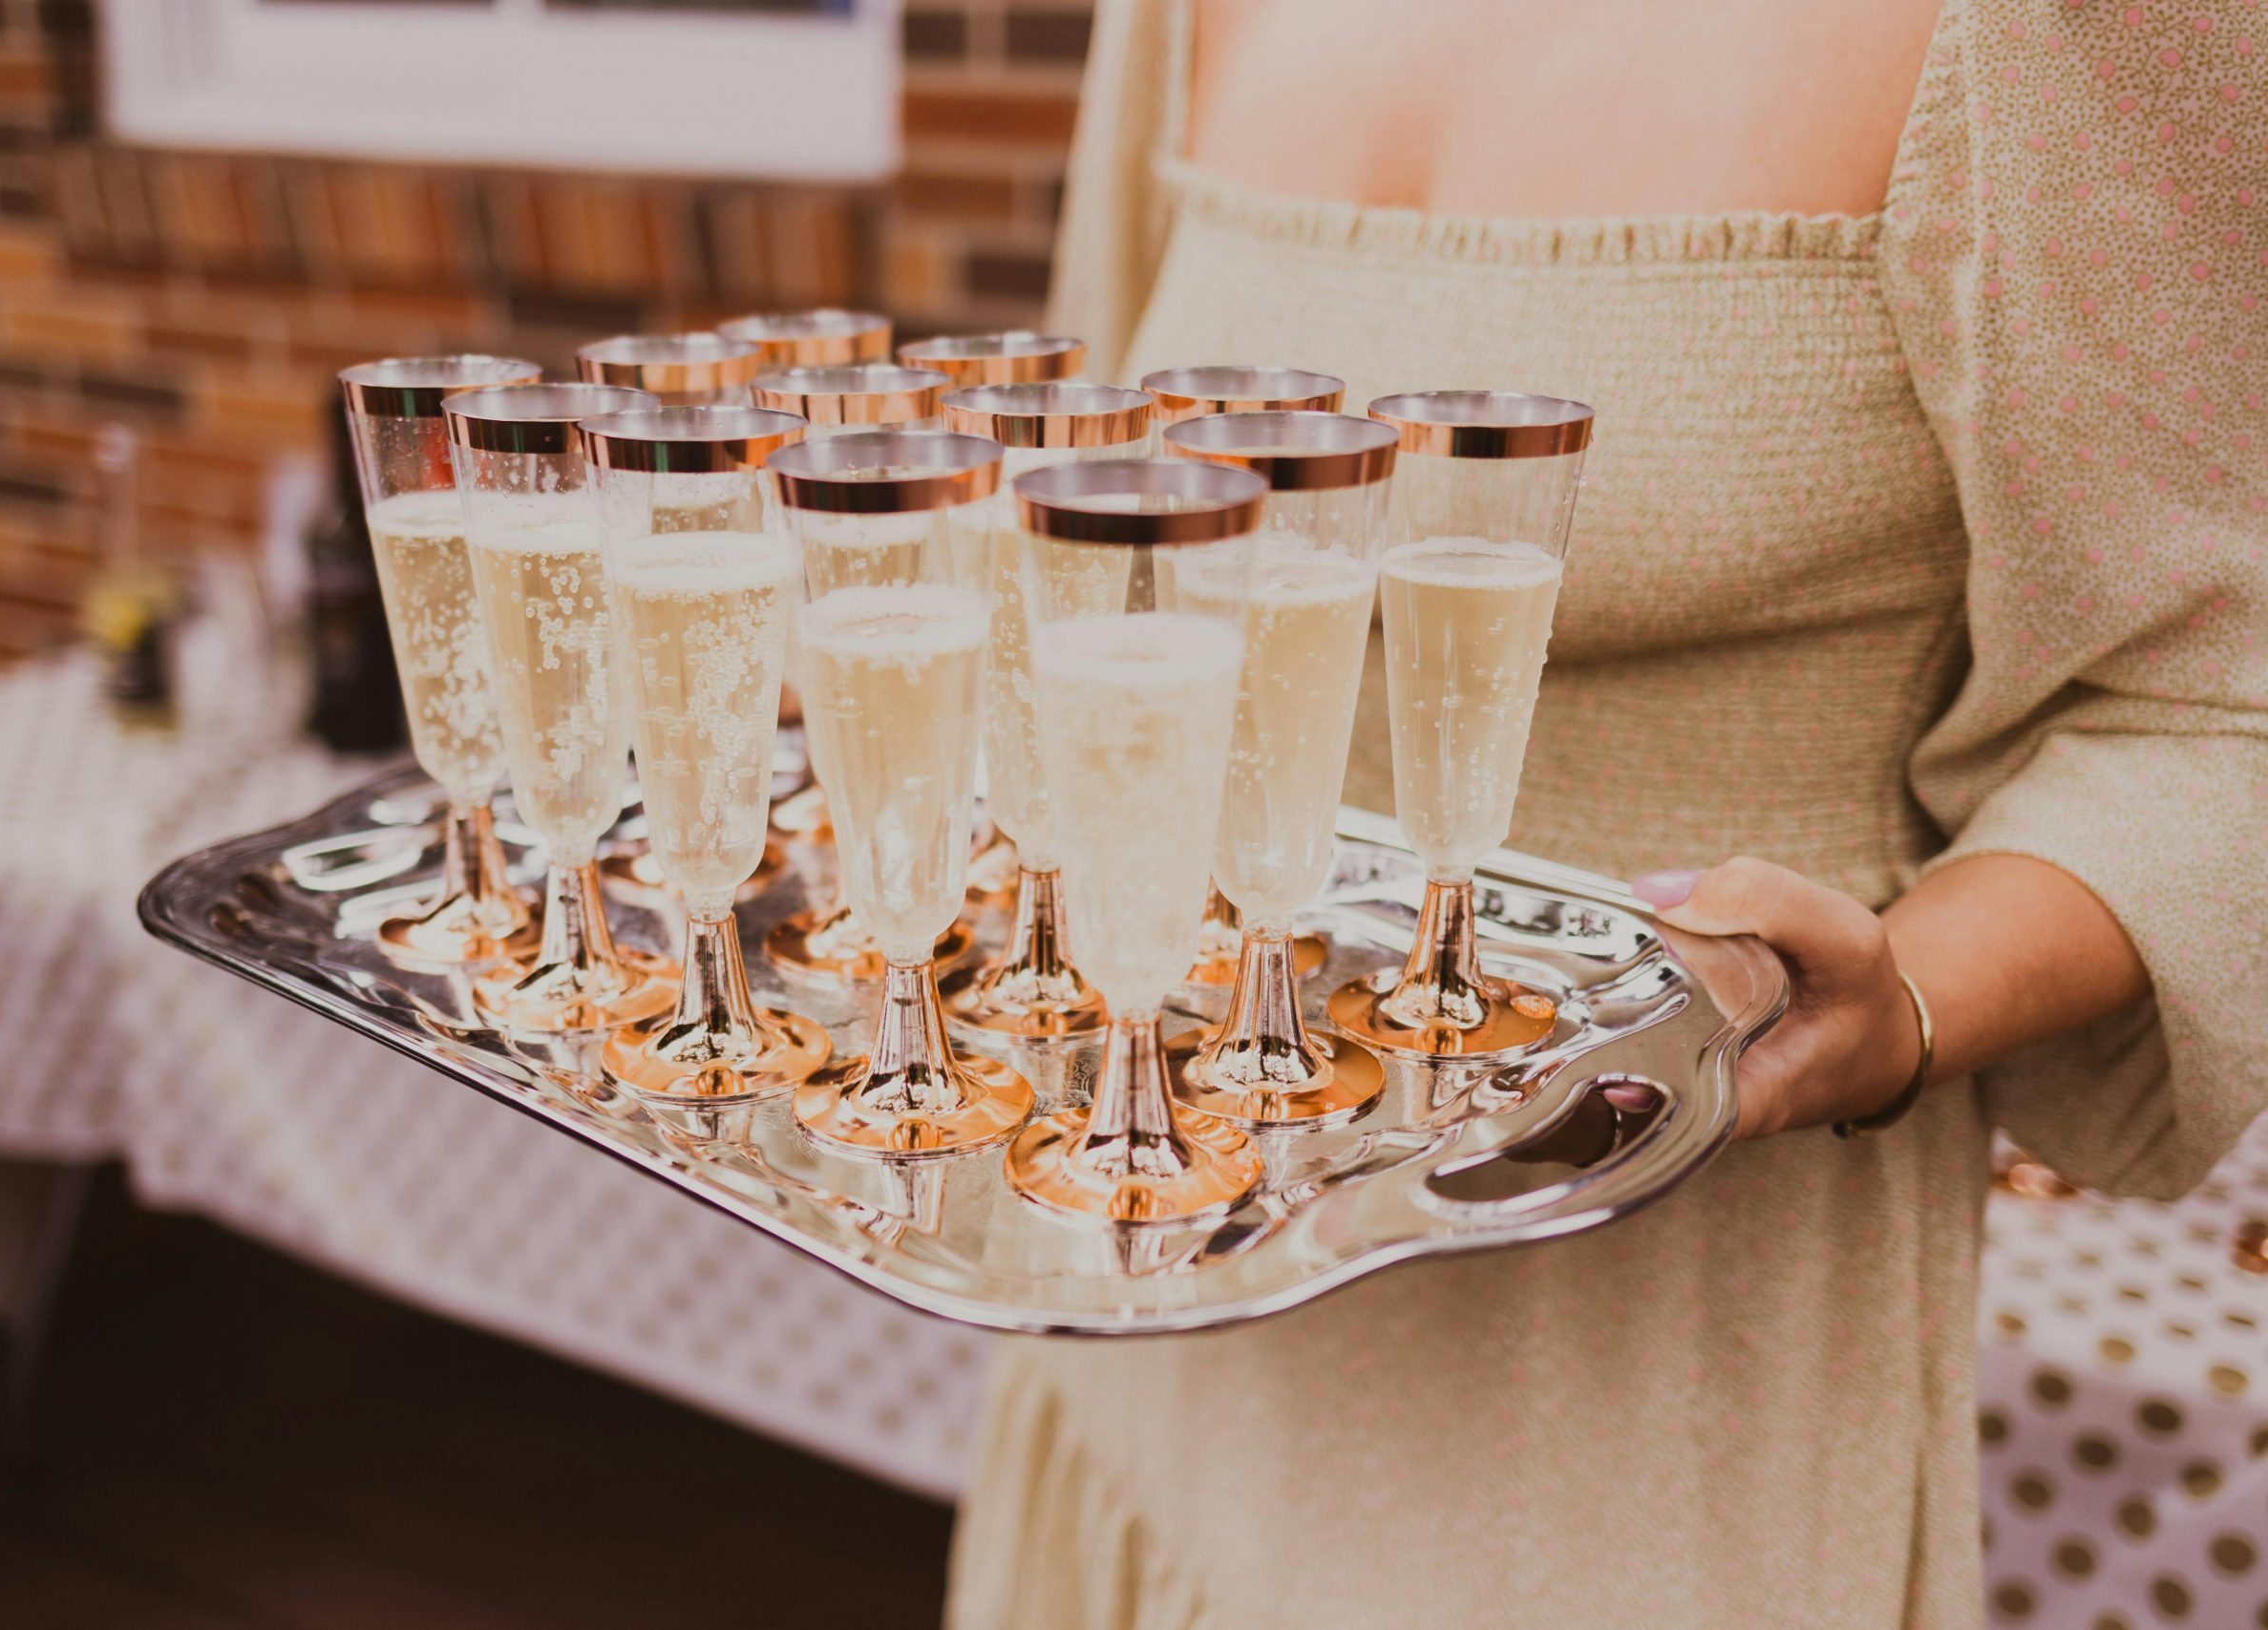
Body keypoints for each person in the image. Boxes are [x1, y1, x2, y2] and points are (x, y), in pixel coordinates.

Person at [946, 1, 2268, 1624]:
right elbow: (1096, 517)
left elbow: (2219, 705)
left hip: (1649, 1377)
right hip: (1151, 1288)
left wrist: (1905, 1001)